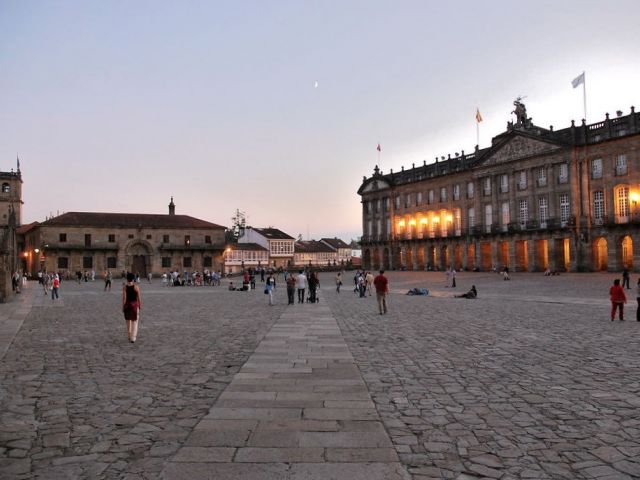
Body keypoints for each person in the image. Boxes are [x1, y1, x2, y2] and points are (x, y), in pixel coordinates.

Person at [122, 272, 142, 342]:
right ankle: (133, 337)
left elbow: (124, 298)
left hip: (127, 305)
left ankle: (129, 336)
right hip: (134, 305)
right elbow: (139, 298)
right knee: (135, 321)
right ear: (133, 279)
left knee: (128, 321)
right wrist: (140, 305)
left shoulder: (125, 287)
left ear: (127, 279)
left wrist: (123, 306)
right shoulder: (136, 287)